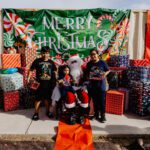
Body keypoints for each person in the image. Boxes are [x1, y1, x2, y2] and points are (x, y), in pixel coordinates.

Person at [27, 46, 57, 121]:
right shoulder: (37, 61)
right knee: (38, 99)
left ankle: (48, 112)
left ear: (49, 54)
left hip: (49, 84)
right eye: (43, 53)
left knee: (47, 99)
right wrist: (28, 78)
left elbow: (55, 71)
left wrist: (56, 79)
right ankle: (36, 113)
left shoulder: (51, 62)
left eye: (47, 53)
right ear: (41, 53)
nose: (45, 55)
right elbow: (31, 70)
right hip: (39, 84)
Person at [86, 49, 110, 123]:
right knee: (95, 101)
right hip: (92, 85)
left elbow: (108, 70)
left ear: (97, 54)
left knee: (102, 101)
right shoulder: (89, 64)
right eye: (91, 55)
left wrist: (104, 74)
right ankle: (96, 115)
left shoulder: (102, 63)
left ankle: (103, 116)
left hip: (101, 85)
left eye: (94, 54)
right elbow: (87, 73)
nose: (93, 56)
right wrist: (88, 77)